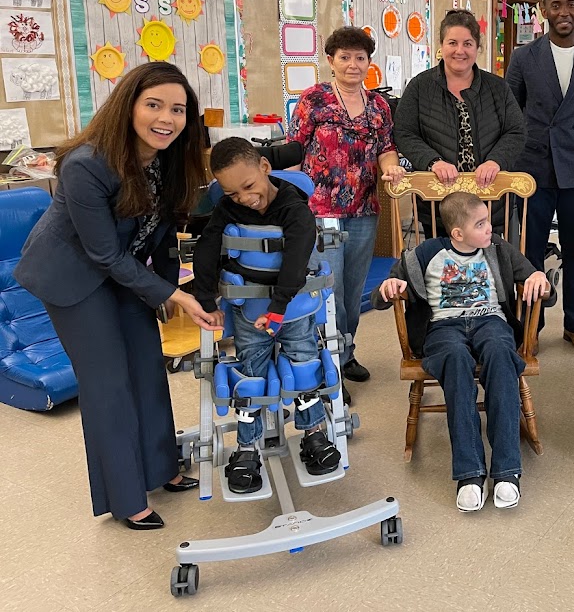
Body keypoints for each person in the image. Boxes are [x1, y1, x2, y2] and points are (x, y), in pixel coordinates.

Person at [14, 62, 221, 530]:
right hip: (73, 276)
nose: (166, 118)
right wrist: (170, 294)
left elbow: (167, 231)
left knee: (148, 366)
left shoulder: (169, 160)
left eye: (177, 109)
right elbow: (104, 254)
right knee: (107, 383)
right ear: (128, 105)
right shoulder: (87, 164)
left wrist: (172, 293)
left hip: (123, 270)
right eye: (153, 105)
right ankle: (127, 498)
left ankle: (163, 468)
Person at [373, 192, 548, 512]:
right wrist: (389, 289)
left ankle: (507, 470)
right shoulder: (427, 253)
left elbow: (533, 277)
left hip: (491, 323)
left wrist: (538, 277)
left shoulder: (497, 248)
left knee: (501, 355)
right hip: (444, 328)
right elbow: (388, 288)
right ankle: (469, 474)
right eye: (480, 224)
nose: (489, 229)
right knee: (455, 362)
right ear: (457, 233)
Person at [191, 138, 341, 494]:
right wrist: (204, 297)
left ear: (264, 167)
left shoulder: (293, 207)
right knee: (252, 377)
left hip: (290, 308)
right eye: (231, 193)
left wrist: (278, 308)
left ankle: (314, 435)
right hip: (248, 310)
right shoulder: (228, 208)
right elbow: (209, 247)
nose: (243, 198)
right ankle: (246, 449)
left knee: (304, 368)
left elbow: (296, 258)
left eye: (248, 187)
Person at [288, 27, 405, 391]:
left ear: (368, 63)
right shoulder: (314, 100)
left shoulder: (379, 106)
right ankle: (327, 365)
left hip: (364, 209)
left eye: (360, 58)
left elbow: (386, 148)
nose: (353, 64)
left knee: (353, 290)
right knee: (328, 290)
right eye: (345, 57)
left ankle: (346, 351)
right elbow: (294, 152)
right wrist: (290, 203)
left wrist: (390, 166)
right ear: (330, 60)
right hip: (320, 209)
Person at [506, 0, 574, 356]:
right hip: (533, 166)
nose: (563, 12)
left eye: (571, 5)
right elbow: (512, 108)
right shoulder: (524, 56)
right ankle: (532, 326)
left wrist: (573, 136)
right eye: (556, 5)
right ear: (544, 11)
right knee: (531, 250)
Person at [394, 9, 526, 236]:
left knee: (486, 268)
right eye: (452, 42)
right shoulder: (419, 87)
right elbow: (405, 133)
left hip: (488, 202)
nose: (459, 51)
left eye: (468, 43)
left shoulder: (498, 88)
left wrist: (495, 161)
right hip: (437, 203)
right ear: (441, 45)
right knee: (441, 267)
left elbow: (515, 131)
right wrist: (432, 161)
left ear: (477, 47)